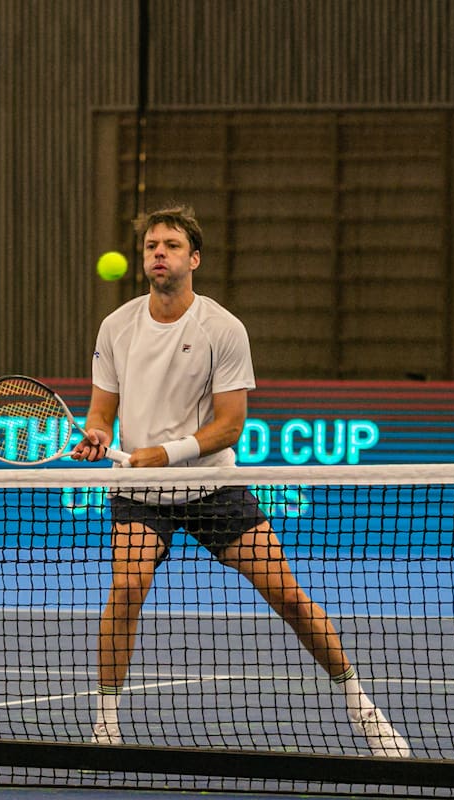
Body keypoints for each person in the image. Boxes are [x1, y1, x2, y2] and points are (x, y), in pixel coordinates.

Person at [71, 205, 410, 758]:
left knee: (289, 597)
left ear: (193, 258)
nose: (159, 252)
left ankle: (363, 708)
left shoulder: (222, 328)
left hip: (211, 488)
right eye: (152, 245)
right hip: (140, 492)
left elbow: (230, 426)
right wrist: (96, 435)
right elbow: (101, 412)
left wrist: (167, 452)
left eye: (171, 245)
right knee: (126, 589)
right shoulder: (116, 327)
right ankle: (106, 725)